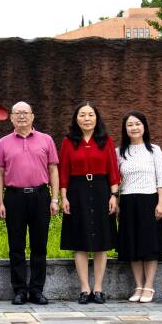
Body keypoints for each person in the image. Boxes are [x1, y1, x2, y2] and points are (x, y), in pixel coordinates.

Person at [0, 101, 60, 305]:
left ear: (32, 116)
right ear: (11, 118)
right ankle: (20, 290)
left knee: (39, 246)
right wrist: (0, 201)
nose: (21, 116)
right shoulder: (3, 142)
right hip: (14, 197)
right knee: (16, 246)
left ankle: (37, 290)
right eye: (17, 113)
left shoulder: (46, 139)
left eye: (25, 113)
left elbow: (53, 169)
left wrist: (55, 198)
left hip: (40, 196)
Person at [59, 101, 120, 304]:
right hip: (77, 191)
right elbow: (64, 171)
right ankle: (85, 288)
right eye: (82, 115)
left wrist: (114, 195)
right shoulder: (69, 141)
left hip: (102, 190)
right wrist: (63, 196)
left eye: (90, 115)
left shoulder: (105, 140)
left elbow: (113, 168)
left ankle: (98, 288)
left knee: (102, 241)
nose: (87, 119)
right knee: (80, 241)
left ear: (97, 118)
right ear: (76, 119)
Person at [115, 111, 162, 304]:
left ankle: (149, 286)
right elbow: (116, 181)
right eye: (130, 125)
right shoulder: (119, 152)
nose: (134, 128)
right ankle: (138, 285)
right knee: (132, 245)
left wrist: (160, 203)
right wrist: (116, 201)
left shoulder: (154, 150)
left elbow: (161, 179)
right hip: (128, 201)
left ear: (144, 126)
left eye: (137, 124)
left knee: (150, 245)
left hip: (149, 200)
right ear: (125, 129)